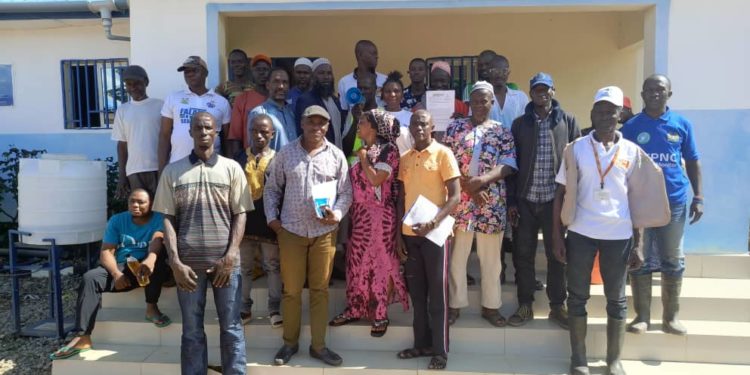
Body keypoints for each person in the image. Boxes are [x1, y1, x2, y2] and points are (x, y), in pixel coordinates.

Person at [552, 86, 670, 375]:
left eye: (611, 112)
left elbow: (638, 199)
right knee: (577, 296)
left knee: (616, 300)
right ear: (592, 114)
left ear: (620, 116)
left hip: (618, 236)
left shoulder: (632, 152)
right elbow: (560, 193)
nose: (605, 116)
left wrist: (640, 242)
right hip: (581, 232)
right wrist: (557, 235)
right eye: (600, 111)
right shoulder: (576, 148)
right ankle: (578, 359)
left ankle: (613, 360)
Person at [154, 112, 253, 374]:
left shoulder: (232, 169)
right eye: (198, 127)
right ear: (190, 133)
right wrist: (174, 261)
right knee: (192, 329)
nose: (203, 132)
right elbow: (167, 218)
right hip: (188, 267)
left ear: (217, 131)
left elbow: (240, 214)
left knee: (231, 327)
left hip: (226, 265)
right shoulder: (173, 171)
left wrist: (231, 255)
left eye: (208, 127)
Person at [264, 105, 353, 367]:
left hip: (324, 233)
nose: (317, 127)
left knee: (319, 290)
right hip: (290, 231)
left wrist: (337, 214)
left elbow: (346, 192)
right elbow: (272, 189)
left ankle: (319, 346)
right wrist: (272, 219)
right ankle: (289, 343)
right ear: (302, 123)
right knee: (291, 291)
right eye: (311, 122)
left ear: (327, 126)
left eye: (321, 123)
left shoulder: (336, 156)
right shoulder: (287, 153)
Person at [621, 74, 704, 336]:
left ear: (669, 94)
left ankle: (671, 318)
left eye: (660, 89)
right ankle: (641, 317)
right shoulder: (631, 127)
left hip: (676, 201)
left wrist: (699, 196)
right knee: (640, 259)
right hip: (642, 203)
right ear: (643, 94)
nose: (655, 93)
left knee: (673, 259)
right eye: (649, 89)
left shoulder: (682, 124)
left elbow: (692, 161)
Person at [50, 189, 171, 360]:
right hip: (123, 268)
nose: (135, 205)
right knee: (90, 278)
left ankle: (152, 308)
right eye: (131, 201)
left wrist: (150, 259)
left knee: (157, 261)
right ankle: (82, 337)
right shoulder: (117, 220)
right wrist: (116, 274)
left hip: (147, 267)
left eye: (141, 202)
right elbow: (106, 251)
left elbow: (158, 239)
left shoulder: (159, 218)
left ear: (151, 203)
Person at [506, 72, 580, 328]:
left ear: (553, 91)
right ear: (530, 92)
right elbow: (511, 166)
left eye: (546, 89)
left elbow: (576, 164)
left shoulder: (568, 121)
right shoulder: (520, 124)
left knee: (557, 254)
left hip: (553, 202)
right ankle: (525, 304)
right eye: (537, 89)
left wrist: (572, 201)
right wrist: (512, 202)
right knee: (522, 255)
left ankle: (557, 306)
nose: (542, 93)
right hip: (526, 200)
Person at [329, 109, 409, 336]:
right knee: (356, 263)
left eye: (362, 122)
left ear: (374, 128)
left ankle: (380, 313)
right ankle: (355, 308)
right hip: (359, 215)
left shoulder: (389, 150)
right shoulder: (359, 150)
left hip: (381, 216)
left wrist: (363, 157)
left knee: (381, 264)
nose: (358, 125)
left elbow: (376, 179)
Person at [443, 81, 517, 328]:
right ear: (468, 103)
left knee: (491, 259)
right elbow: (445, 162)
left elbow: (508, 164)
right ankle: (454, 305)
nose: (479, 105)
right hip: (459, 202)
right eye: (475, 100)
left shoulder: (502, 131)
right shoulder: (454, 128)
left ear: (491, 103)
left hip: (491, 202)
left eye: (484, 100)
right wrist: (467, 186)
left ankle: (491, 306)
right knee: (457, 258)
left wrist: (482, 181)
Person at [396, 110, 461, 371]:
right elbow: (401, 197)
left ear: (432, 127)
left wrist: (434, 222)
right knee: (418, 295)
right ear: (409, 128)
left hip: (435, 236)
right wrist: (400, 233)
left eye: (424, 123)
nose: (419, 127)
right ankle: (421, 344)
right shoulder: (405, 158)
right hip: (411, 236)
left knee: (437, 296)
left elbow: (455, 196)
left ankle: (440, 351)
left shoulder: (444, 154)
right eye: (415, 124)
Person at [235, 114, 282, 327]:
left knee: (272, 266)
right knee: (244, 268)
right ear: (249, 132)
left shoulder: (279, 159)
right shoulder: (237, 158)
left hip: (269, 222)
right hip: (244, 222)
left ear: (272, 134)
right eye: (255, 130)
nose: (259, 135)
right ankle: (244, 307)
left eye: (264, 131)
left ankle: (274, 308)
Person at [158, 56, 231, 172]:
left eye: (194, 70)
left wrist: (228, 169)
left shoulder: (221, 102)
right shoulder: (173, 98)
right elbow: (164, 135)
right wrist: (161, 170)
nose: (190, 74)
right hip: (178, 167)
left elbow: (227, 139)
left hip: (212, 168)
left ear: (205, 73)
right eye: (187, 71)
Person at [112, 65, 163, 199]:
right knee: (140, 213)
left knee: (161, 211)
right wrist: (122, 175)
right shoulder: (123, 110)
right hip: (134, 171)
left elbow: (168, 138)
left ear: (146, 82)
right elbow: (122, 145)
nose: (133, 87)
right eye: (129, 84)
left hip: (158, 168)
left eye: (137, 83)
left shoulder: (161, 106)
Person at [294, 58, 346, 150]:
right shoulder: (306, 100)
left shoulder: (335, 101)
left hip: (335, 154)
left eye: (329, 73)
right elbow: (302, 132)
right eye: (321, 73)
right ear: (313, 77)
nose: (326, 77)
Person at [248, 67, 297, 151]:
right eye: (276, 82)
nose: (281, 86)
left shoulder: (291, 112)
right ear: (268, 85)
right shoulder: (258, 113)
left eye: (285, 82)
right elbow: (254, 150)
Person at [337, 39, 387, 111]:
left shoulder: (385, 80)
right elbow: (344, 111)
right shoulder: (344, 82)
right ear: (360, 55)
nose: (376, 57)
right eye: (373, 53)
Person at [487, 55, 528, 130]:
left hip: (515, 141)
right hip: (487, 141)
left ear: (508, 73)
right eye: (495, 71)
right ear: (488, 73)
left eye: (504, 71)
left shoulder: (520, 97)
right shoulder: (481, 98)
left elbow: (526, 125)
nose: (499, 75)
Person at [381, 71, 414, 155]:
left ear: (402, 94)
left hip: (406, 164)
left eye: (396, 91)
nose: (392, 94)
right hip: (381, 165)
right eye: (388, 91)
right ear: (382, 95)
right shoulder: (376, 115)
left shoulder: (411, 117)